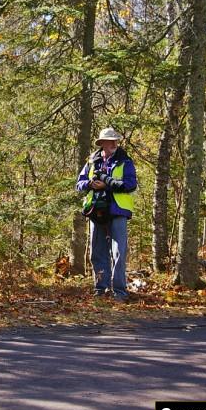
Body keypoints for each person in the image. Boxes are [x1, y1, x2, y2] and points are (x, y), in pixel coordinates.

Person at [76, 127, 137, 302]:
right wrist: (90, 184)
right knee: (97, 252)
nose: (113, 144)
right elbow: (79, 184)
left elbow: (131, 184)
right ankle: (100, 289)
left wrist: (107, 185)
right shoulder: (92, 161)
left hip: (118, 211)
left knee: (118, 253)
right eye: (110, 141)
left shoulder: (125, 161)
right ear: (102, 143)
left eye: (115, 141)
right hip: (96, 211)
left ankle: (119, 292)